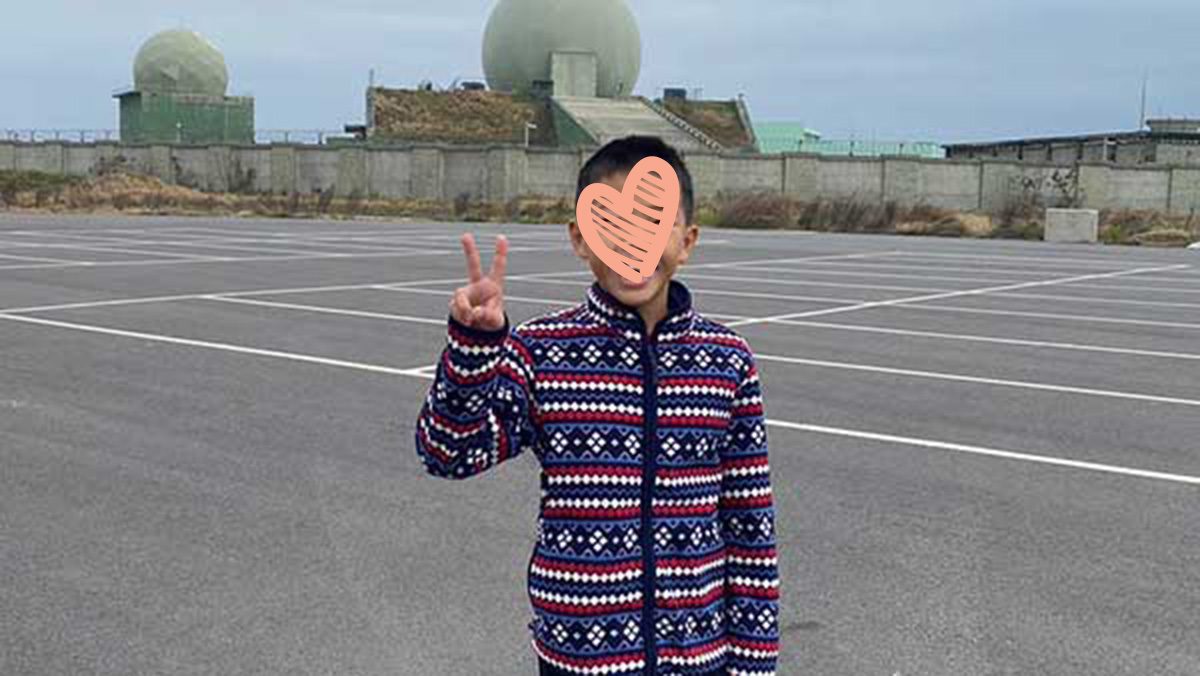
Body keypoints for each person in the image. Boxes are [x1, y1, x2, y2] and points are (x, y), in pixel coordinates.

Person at [415, 136, 779, 675]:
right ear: (580, 240)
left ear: (687, 241)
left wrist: (754, 667)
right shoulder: (541, 351)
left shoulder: (727, 362)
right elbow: (448, 453)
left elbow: (750, 532)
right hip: (579, 657)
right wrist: (473, 350)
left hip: (698, 658)